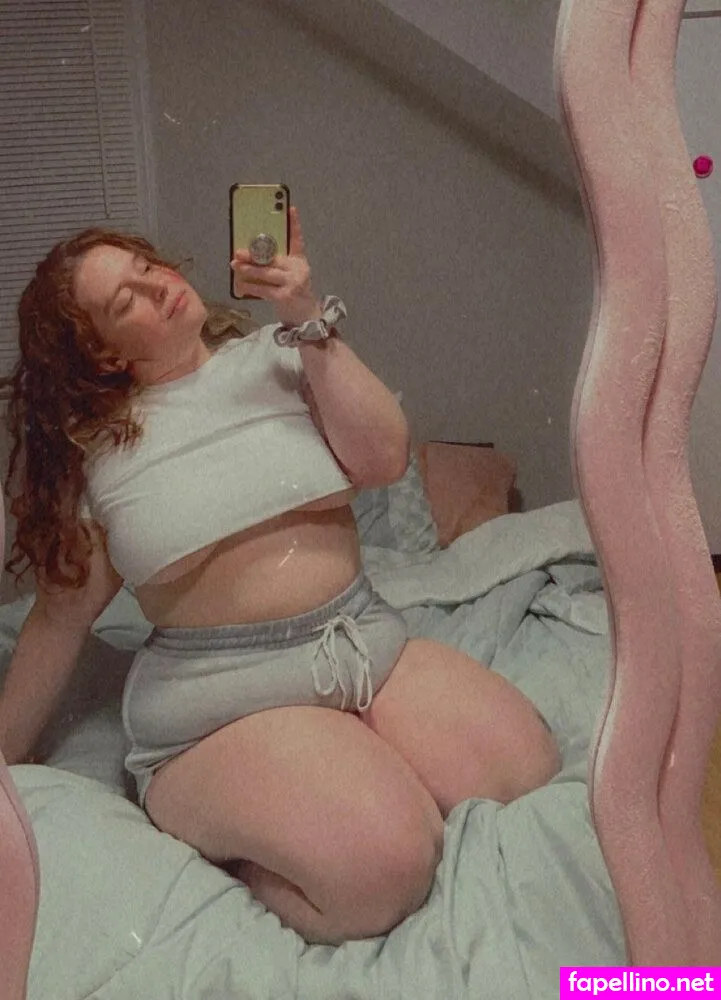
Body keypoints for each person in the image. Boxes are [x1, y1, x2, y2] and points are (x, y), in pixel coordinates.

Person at [0, 207, 560, 945]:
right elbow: (58, 621)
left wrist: (304, 315)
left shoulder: (283, 353)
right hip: (222, 703)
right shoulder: (100, 455)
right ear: (102, 353)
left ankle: (334, 772)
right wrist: (3, 754)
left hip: (358, 643)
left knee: (525, 768)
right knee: (388, 867)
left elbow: (382, 459)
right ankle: (239, 843)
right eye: (125, 299)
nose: (158, 283)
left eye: (146, 266)